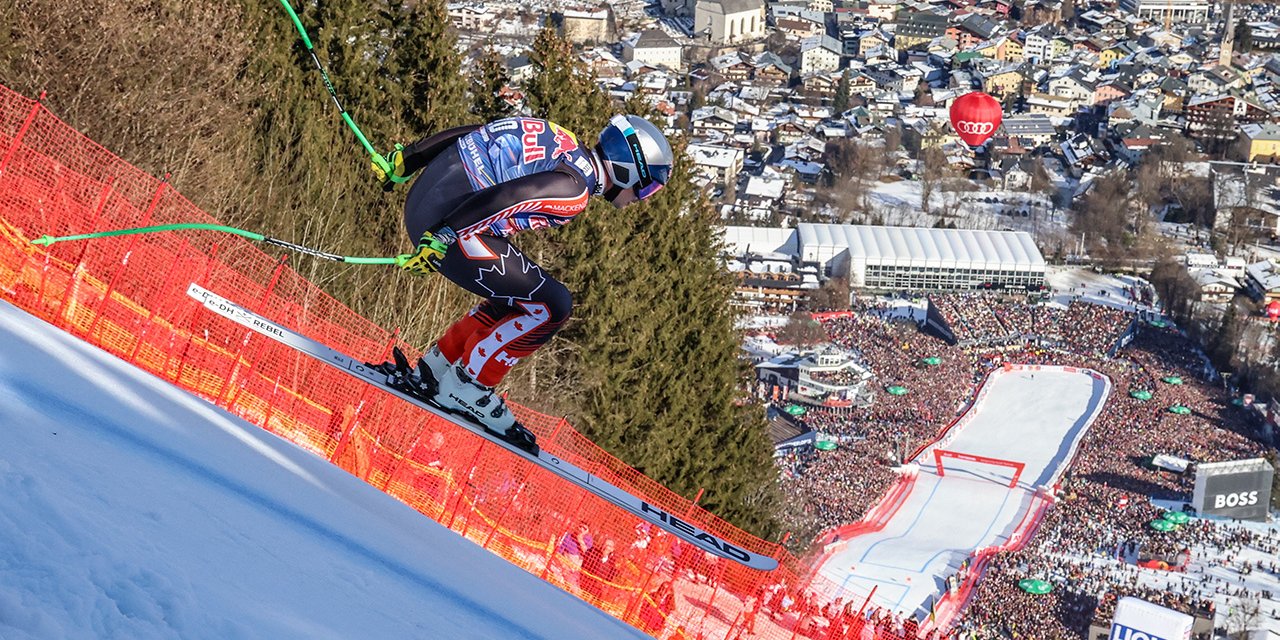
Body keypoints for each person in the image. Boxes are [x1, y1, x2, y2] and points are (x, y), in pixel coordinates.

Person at [371, 115, 673, 448]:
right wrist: (445, 234)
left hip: (430, 202)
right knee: (553, 306)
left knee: (518, 297)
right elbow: (510, 196)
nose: (640, 199)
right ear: (626, 168)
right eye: (646, 188)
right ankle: (468, 386)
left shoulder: (565, 141)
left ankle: (435, 370)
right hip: (448, 224)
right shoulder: (573, 191)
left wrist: (411, 158)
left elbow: (477, 133)